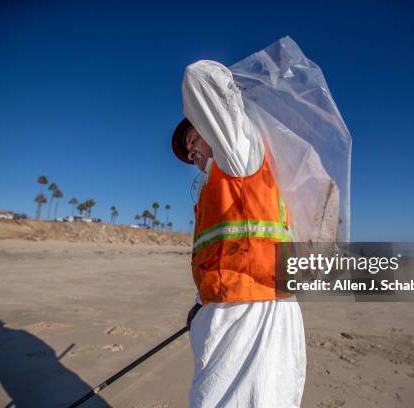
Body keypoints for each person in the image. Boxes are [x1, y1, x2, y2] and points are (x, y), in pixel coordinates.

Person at [171, 60, 306, 408]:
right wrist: (200, 305)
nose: (190, 151)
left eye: (193, 137)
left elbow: (200, 76)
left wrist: (239, 91)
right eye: (187, 149)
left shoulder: (240, 155)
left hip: (256, 311)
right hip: (225, 313)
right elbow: (221, 258)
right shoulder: (215, 184)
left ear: (211, 124)